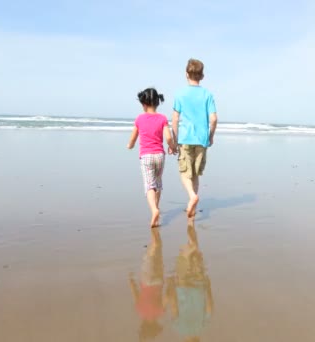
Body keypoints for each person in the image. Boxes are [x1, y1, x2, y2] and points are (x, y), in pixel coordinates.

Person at [171, 59, 218, 218]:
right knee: (196, 173)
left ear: (186, 74)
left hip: (185, 138)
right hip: (202, 139)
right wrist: (211, 136)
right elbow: (213, 119)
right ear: (202, 76)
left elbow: (175, 119)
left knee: (184, 172)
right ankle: (193, 206)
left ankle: (192, 196)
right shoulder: (207, 94)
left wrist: (174, 139)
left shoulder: (180, 94)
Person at [128, 88, 176, 227]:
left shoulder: (140, 118)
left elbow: (133, 139)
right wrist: (172, 147)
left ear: (143, 104)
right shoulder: (162, 118)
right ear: (157, 102)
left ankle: (154, 210)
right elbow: (168, 137)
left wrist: (129, 145)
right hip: (160, 156)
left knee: (149, 185)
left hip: (146, 156)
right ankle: (157, 207)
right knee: (158, 183)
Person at [165, 218, 214, 341]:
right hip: (183, 288)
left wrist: (208, 287)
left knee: (197, 260)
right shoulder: (179, 328)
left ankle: (191, 225)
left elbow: (209, 306)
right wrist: (170, 286)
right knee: (182, 261)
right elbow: (174, 305)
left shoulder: (203, 327)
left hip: (199, 288)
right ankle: (190, 239)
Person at [129, 228, 166, 341]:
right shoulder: (140, 310)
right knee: (149, 258)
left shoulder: (160, 313)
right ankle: (154, 237)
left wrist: (171, 284)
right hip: (146, 281)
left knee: (157, 257)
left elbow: (166, 298)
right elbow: (135, 294)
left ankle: (156, 238)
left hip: (158, 281)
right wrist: (131, 281)